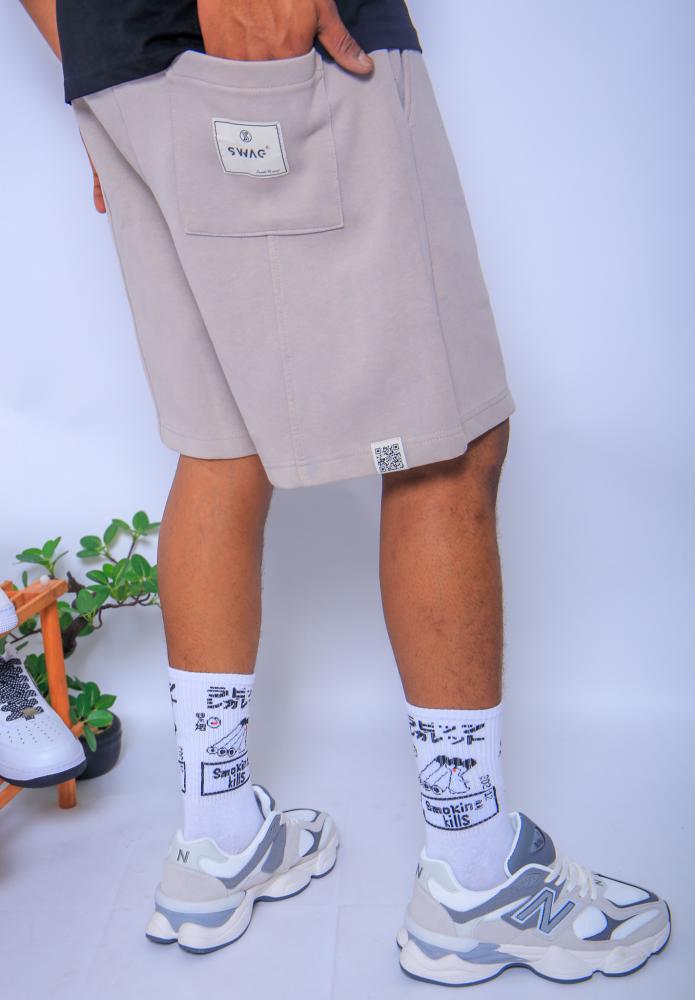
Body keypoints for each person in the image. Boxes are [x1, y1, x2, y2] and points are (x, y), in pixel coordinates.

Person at [17, 0, 670, 985]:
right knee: (445, 440)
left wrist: (96, 59)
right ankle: (475, 881)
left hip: (119, 58)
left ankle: (217, 841)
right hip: (254, 36)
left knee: (222, 438)